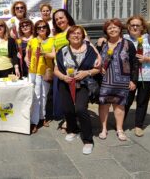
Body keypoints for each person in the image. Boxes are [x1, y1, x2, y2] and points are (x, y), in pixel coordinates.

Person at [54, 25, 99, 155]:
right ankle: (72, 130)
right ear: (68, 37)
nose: (76, 35)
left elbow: (98, 68)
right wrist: (63, 77)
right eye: (73, 34)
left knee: (80, 109)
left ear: (83, 36)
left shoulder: (90, 50)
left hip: (83, 84)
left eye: (79, 33)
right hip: (66, 83)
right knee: (67, 109)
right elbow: (56, 69)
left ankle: (88, 140)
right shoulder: (62, 51)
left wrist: (86, 73)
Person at [97, 18, 138, 141]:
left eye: (115, 27)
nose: (112, 29)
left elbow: (134, 63)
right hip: (104, 80)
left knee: (119, 105)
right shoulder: (102, 43)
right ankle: (103, 129)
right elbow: (95, 60)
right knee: (104, 105)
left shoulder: (127, 44)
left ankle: (119, 129)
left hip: (122, 80)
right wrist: (99, 68)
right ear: (106, 31)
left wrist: (133, 80)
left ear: (120, 29)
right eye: (109, 28)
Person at [123, 15, 150, 137]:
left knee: (142, 101)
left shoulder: (149, 39)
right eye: (132, 25)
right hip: (129, 77)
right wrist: (102, 40)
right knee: (126, 100)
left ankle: (138, 126)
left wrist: (147, 58)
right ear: (128, 27)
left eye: (137, 25)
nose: (134, 27)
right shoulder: (123, 38)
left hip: (147, 76)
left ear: (142, 27)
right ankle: (120, 124)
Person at [25, 20, 55, 133]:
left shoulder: (52, 40)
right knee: (35, 95)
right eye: (39, 28)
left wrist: (44, 54)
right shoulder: (32, 41)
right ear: (36, 30)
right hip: (33, 71)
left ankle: (43, 117)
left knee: (44, 95)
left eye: (43, 27)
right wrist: (26, 59)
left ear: (47, 28)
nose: (41, 29)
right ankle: (34, 121)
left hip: (46, 70)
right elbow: (27, 54)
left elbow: (54, 54)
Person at [51, 9, 77, 122]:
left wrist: (98, 56)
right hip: (59, 70)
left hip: (73, 69)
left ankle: (71, 121)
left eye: (61, 17)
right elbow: (53, 53)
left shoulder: (75, 30)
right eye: (56, 19)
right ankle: (67, 119)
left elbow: (87, 45)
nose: (59, 21)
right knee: (63, 96)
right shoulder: (56, 36)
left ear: (67, 17)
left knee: (74, 96)